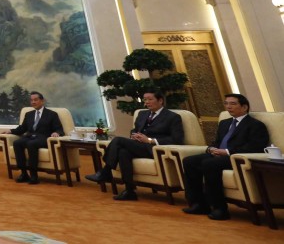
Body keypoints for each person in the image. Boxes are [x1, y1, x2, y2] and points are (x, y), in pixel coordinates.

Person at [182, 93, 270, 221]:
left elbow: (255, 147)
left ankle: (219, 209)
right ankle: (199, 204)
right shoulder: (224, 123)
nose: (228, 107)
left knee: (209, 164)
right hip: (219, 155)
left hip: (236, 157)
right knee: (189, 161)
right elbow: (217, 142)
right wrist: (211, 148)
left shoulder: (255, 125)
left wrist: (227, 152)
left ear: (244, 107)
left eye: (233, 104)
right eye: (226, 103)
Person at [86, 90, 184, 200]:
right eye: (145, 100)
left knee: (118, 140)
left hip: (154, 149)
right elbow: (134, 130)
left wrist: (150, 140)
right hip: (139, 146)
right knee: (123, 152)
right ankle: (129, 191)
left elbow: (177, 139)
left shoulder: (172, 117)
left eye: (150, 99)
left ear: (160, 101)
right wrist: (134, 135)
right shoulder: (142, 114)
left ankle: (106, 171)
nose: (147, 102)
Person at [5, 91, 64, 184]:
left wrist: (56, 133)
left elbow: (59, 128)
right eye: (31, 100)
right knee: (17, 143)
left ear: (42, 101)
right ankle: (24, 173)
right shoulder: (29, 114)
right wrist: (11, 131)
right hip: (30, 136)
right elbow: (22, 128)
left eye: (35, 100)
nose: (33, 102)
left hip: (43, 138)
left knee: (31, 144)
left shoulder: (52, 114)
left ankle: (34, 175)